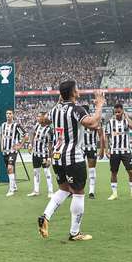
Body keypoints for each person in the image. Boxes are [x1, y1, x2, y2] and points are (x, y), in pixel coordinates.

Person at [38, 82, 104, 242]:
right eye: (77, 89)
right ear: (72, 93)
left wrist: (58, 102)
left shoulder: (55, 110)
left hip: (57, 157)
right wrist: (99, 105)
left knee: (64, 189)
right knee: (79, 192)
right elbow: (92, 122)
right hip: (73, 157)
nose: (79, 90)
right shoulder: (76, 109)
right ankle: (75, 233)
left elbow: (43, 121)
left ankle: (45, 216)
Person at [105, 103, 132, 201]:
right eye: (115, 112)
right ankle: (114, 193)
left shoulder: (127, 121)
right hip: (114, 151)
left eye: (119, 112)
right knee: (113, 172)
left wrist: (126, 117)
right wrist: (106, 150)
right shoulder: (110, 122)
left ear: (122, 111)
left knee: (131, 171)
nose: (117, 114)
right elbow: (107, 137)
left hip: (126, 151)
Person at [0, 109, 26, 197]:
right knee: (9, 169)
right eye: (7, 113)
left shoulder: (16, 125)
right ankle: (14, 185)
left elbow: (25, 136)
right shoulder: (2, 125)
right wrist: (1, 146)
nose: (8, 115)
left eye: (10, 113)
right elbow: (1, 135)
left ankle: (11, 190)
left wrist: (20, 146)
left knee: (10, 168)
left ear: (13, 115)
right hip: (5, 151)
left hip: (13, 151)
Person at [28, 111, 55, 198]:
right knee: (36, 172)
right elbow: (32, 133)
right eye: (37, 116)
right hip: (35, 153)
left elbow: (50, 145)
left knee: (47, 172)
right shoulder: (37, 126)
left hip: (44, 154)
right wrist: (30, 144)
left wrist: (50, 158)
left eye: (39, 117)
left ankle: (50, 191)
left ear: (44, 118)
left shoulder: (49, 130)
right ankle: (36, 190)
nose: (37, 118)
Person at [80, 106, 105, 199]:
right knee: (78, 169)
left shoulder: (95, 121)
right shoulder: (79, 120)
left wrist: (102, 149)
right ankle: (77, 189)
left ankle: (91, 191)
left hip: (91, 147)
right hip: (81, 148)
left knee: (91, 170)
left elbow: (101, 135)